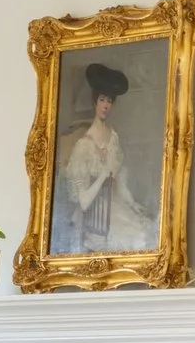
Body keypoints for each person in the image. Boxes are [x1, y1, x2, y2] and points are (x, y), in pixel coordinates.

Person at [56, 61, 152, 253]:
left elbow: (117, 181)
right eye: (102, 100)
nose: (105, 106)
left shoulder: (113, 136)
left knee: (146, 229)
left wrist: (132, 203)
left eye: (109, 101)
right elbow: (83, 202)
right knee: (134, 239)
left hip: (115, 208)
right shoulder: (83, 146)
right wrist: (102, 176)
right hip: (94, 216)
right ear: (94, 101)